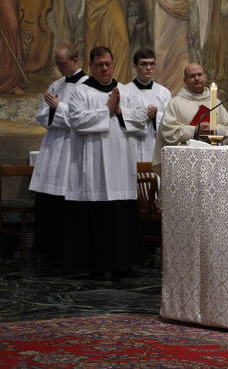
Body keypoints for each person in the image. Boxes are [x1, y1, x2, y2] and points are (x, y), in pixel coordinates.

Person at [65, 47, 148, 279]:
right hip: (93, 165)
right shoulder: (80, 91)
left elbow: (141, 118)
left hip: (121, 164)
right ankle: (98, 266)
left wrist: (119, 109)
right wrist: (106, 110)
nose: (105, 68)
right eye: (100, 64)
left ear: (114, 64)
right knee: (98, 215)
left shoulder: (126, 92)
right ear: (91, 65)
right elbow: (77, 120)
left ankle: (123, 264)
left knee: (122, 215)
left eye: (108, 64)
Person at [28, 42, 87, 264]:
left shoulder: (87, 86)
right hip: (53, 147)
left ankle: (66, 251)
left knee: (66, 201)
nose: (60, 68)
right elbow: (42, 116)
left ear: (75, 60)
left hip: (72, 148)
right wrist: (54, 111)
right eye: (57, 64)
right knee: (48, 202)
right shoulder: (56, 84)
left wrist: (59, 108)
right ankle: (47, 249)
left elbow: (81, 120)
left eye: (63, 64)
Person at [153, 63, 228, 173]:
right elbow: (168, 131)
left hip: (212, 162)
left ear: (205, 77)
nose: (196, 78)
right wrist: (195, 130)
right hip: (184, 164)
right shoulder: (176, 103)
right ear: (185, 80)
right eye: (192, 76)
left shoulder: (215, 102)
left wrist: (215, 129)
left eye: (199, 75)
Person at [125, 48, 172, 162]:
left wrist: (156, 116)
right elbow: (123, 119)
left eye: (151, 64)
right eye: (144, 64)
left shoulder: (164, 92)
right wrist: (143, 115)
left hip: (156, 144)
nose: (149, 68)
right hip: (132, 144)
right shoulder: (125, 91)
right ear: (135, 67)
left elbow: (169, 121)